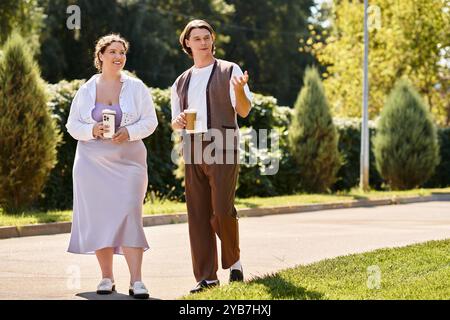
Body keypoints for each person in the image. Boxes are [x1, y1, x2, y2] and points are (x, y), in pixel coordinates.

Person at [66, 34, 158, 299]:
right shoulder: (86, 90)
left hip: (129, 161)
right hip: (91, 163)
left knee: (130, 212)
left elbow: (150, 122)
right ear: (101, 56)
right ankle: (106, 277)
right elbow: (73, 126)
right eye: (113, 52)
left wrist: (128, 132)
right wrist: (91, 129)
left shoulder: (137, 88)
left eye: (122, 52)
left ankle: (137, 281)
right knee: (99, 218)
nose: (119, 57)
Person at [171, 20, 252, 294]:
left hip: (223, 143)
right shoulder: (181, 81)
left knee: (221, 209)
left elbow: (243, 111)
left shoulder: (230, 70)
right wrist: (179, 121)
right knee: (197, 213)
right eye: (197, 38)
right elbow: (175, 121)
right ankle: (207, 277)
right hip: (192, 146)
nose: (203, 42)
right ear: (187, 43)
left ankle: (235, 261)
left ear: (212, 40)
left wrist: (240, 90)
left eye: (207, 37)